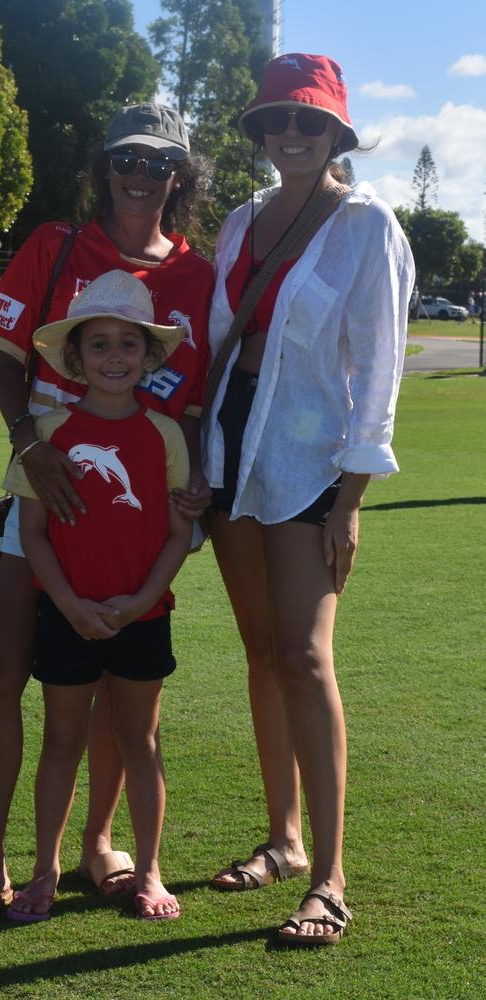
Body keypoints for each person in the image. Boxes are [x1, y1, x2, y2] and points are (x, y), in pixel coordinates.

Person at [0, 104, 213, 926]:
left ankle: (100, 847)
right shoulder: (54, 244)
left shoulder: (198, 278)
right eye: (125, 159)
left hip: (131, 526)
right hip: (45, 499)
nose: (139, 175)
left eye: (158, 162)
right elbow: (7, 358)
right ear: (105, 166)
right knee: (0, 674)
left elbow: (193, 405)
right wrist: (30, 442)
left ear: (180, 176)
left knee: (120, 695)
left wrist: (191, 489)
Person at [201, 53, 414, 945]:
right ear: (258, 132)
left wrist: (352, 496)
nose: (290, 134)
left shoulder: (369, 227)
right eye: (275, 122)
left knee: (305, 657)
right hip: (227, 448)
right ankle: (283, 841)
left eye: (308, 121)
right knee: (259, 651)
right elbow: (214, 337)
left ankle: (328, 877)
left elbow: (380, 368)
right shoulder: (240, 220)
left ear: (336, 132)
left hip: (310, 465)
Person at [2, 271, 191, 921]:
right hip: (66, 615)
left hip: (143, 616)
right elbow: (32, 534)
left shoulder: (166, 435)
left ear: (149, 356)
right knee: (62, 743)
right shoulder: (47, 437)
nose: (115, 358)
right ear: (75, 361)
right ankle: (44, 871)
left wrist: (142, 600)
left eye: (128, 345)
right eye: (100, 346)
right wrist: (71, 604)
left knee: (141, 742)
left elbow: (176, 531)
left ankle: (152, 872)